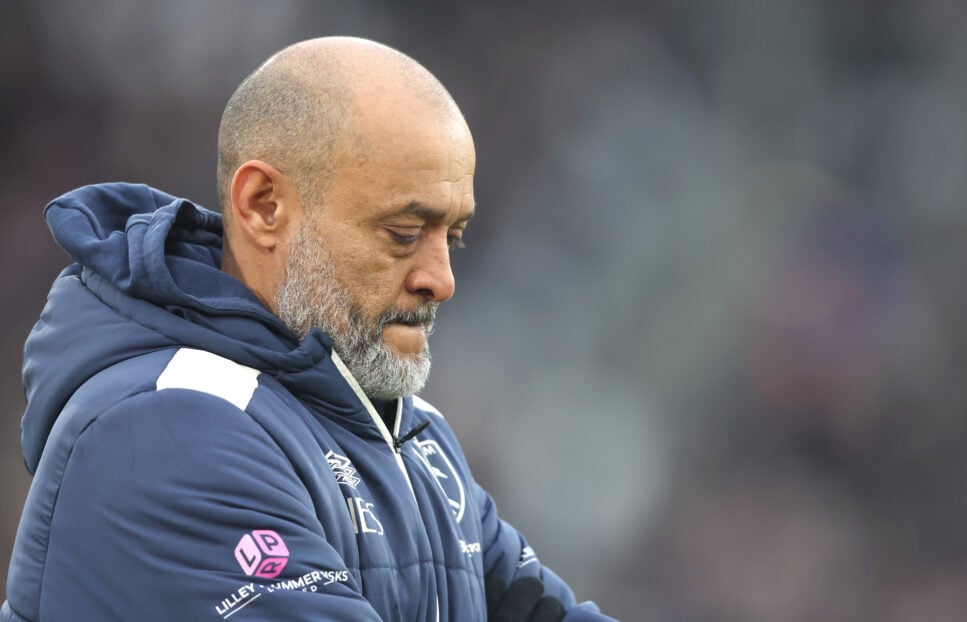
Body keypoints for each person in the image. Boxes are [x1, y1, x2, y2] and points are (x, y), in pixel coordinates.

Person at [1, 37, 616, 622]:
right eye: (404, 233)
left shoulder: (410, 436)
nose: (442, 279)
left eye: (451, 237)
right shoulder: (165, 432)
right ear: (263, 205)